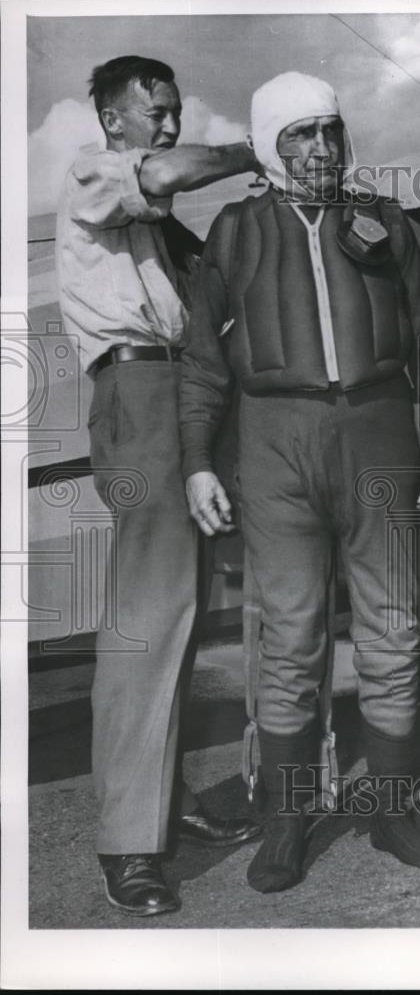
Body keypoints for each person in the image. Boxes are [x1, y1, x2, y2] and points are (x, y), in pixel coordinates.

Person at [179, 71, 420, 893]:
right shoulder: (232, 233)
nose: (318, 149)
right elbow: (202, 361)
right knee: (289, 643)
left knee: (393, 629)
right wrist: (199, 460)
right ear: (269, 142)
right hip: (274, 446)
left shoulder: (383, 221)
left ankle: (390, 810)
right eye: (299, 133)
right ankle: (287, 822)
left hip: (378, 436)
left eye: (329, 131)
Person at [56, 55, 263, 917]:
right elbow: (170, 171)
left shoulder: (154, 224)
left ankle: (163, 809)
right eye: (155, 112)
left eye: (175, 111)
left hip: (184, 391)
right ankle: (129, 847)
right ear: (114, 120)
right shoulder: (94, 173)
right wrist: (260, 151)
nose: (170, 125)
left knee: (180, 617)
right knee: (147, 619)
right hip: (139, 393)